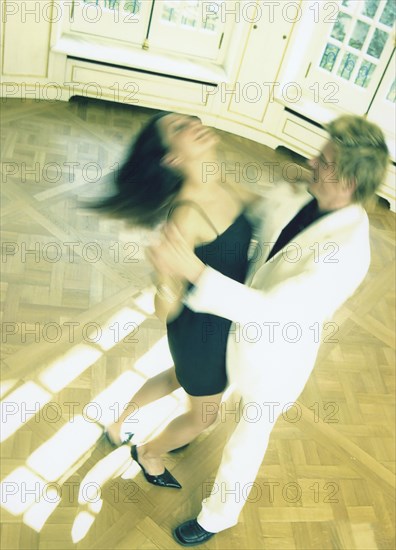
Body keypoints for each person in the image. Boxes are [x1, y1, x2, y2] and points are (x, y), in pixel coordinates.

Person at [147, 115, 390, 544]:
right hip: (232, 326)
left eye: (325, 160)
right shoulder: (304, 194)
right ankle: (184, 430)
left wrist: (194, 271)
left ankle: (216, 517)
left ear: (348, 182)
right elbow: (257, 216)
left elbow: (272, 312)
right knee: (204, 397)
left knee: (248, 436)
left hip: (277, 356)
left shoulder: (348, 253)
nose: (312, 161)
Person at [92, 111, 255, 488]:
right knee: (204, 417)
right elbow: (165, 309)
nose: (195, 124)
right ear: (172, 159)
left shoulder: (223, 184)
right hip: (200, 333)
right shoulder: (184, 217)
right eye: (179, 128)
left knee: (178, 378)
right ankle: (149, 453)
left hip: (221, 319)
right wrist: (165, 275)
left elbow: (268, 210)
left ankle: (117, 423)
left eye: (192, 119)